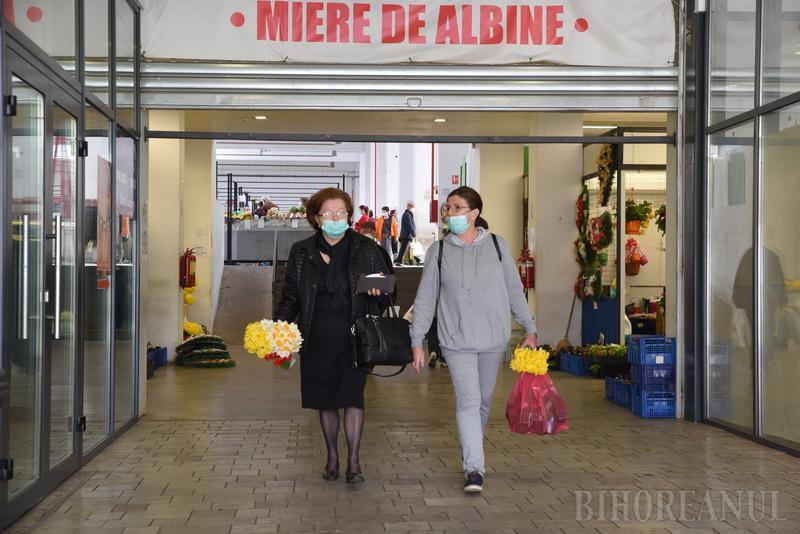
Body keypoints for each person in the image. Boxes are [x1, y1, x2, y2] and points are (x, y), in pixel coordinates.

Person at [409, 186, 537, 494]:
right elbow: (425, 299)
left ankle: (472, 455)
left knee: (482, 403)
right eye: (448, 208)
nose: (450, 213)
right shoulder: (438, 252)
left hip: (493, 338)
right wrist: (417, 341)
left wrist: (529, 328)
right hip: (456, 340)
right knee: (468, 401)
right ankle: (474, 469)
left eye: (456, 208)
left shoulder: (497, 246)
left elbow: (513, 289)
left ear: (474, 213)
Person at [274, 188, 392, 484]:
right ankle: (332, 455)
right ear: (316, 217)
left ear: (349, 215)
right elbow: (290, 297)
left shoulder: (366, 248)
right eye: (329, 213)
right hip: (315, 335)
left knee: (353, 397)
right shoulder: (302, 251)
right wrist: (278, 330)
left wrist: (378, 292)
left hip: (355, 335)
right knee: (325, 400)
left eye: (341, 212)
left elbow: (389, 288)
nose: (336, 218)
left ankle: (353, 460)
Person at [396, 201, 417, 266]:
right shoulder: (407, 214)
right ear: (409, 207)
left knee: (405, 248)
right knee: (403, 249)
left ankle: (401, 261)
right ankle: (399, 261)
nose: (413, 209)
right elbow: (409, 225)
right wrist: (414, 234)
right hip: (406, 235)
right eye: (412, 207)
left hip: (407, 235)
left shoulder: (408, 214)